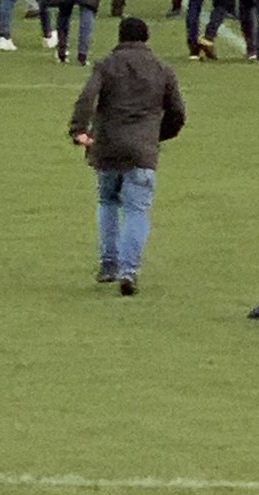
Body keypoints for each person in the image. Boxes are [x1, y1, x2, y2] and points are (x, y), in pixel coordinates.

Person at [69, 16, 186, 296]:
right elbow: (178, 112)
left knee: (108, 201)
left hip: (107, 146)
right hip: (142, 150)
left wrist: (78, 130)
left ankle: (108, 263)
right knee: (137, 210)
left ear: (120, 38)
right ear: (146, 39)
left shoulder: (107, 64)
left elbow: (87, 98)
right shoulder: (162, 69)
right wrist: (157, 136)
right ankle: (128, 270)